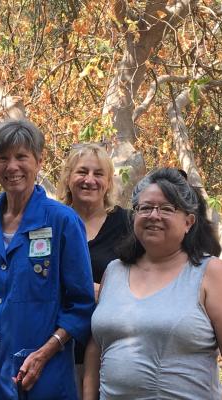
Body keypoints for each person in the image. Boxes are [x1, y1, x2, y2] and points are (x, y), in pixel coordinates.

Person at [0, 119, 96, 399]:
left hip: (38, 376)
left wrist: (46, 351)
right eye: (3, 158)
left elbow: (81, 304)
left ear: (39, 161)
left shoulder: (62, 221)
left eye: (21, 157)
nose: (12, 166)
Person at [83, 168, 222, 399]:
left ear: (188, 222)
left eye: (166, 208)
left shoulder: (211, 273)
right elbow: (96, 347)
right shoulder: (114, 271)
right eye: (145, 208)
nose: (154, 215)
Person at [56, 143, 131, 395]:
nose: (90, 180)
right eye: (82, 172)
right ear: (68, 178)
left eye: (98, 174)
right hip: (59, 349)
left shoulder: (128, 224)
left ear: (108, 182)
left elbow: (147, 278)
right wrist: (84, 290)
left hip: (112, 351)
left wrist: (108, 291)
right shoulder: (52, 222)